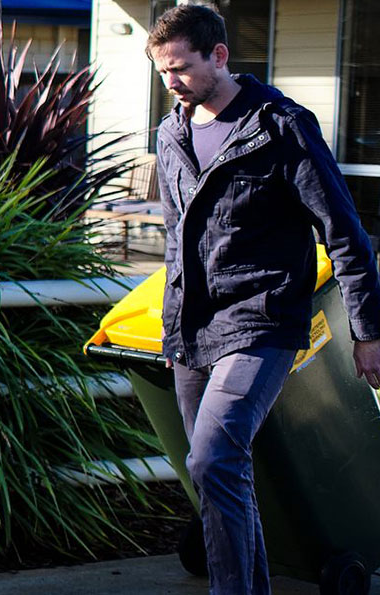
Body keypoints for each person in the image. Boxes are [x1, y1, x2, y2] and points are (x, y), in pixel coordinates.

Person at [147, 5, 380, 594]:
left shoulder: (281, 127)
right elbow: (177, 243)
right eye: (161, 72)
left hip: (263, 320)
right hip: (194, 330)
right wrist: (173, 337)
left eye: (180, 68)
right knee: (224, 473)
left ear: (219, 55)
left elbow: (345, 232)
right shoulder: (171, 132)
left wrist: (368, 330)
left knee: (211, 460)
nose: (171, 82)